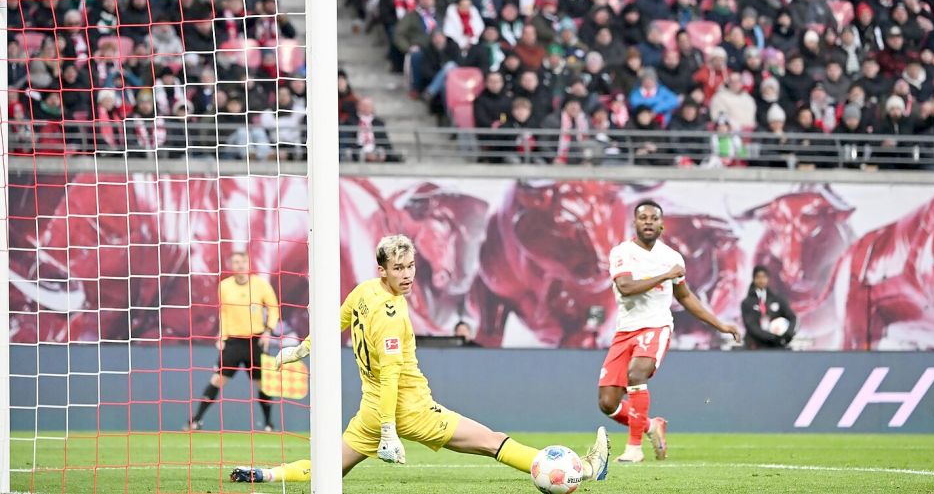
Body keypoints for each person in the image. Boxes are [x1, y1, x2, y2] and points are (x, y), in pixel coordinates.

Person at [231, 235, 610, 483]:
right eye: (398, 268)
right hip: (408, 409)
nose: (407, 274)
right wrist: (389, 432)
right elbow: (393, 374)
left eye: (411, 266)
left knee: (331, 470)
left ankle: (265, 476)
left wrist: (300, 349)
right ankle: (583, 471)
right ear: (382, 269)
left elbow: (335, 322)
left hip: (371, 405)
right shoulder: (392, 317)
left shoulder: (364, 291)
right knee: (492, 441)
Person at [598, 202, 741, 463]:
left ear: (662, 225)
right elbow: (626, 286)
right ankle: (651, 425)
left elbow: (685, 296)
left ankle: (634, 449)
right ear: (635, 223)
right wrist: (666, 276)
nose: (649, 222)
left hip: (656, 325)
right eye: (643, 218)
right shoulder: (622, 253)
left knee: (637, 373)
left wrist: (720, 324)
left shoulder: (672, 258)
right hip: (625, 331)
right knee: (608, 403)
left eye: (654, 218)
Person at [187, 252, 279, 432]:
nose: (240, 265)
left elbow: (273, 309)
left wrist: (268, 331)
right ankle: (196, 421)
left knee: (263, 384)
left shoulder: (261, 285)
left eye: (243, 262)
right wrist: (222, 336)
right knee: (217, 379)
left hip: (256, 341)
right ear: (231, 265)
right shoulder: (224, 286)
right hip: (234, 342)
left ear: (248, 263)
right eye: (236, 262)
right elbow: (224, 313)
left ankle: (268, 424)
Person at [740, 266, 797, 349]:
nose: (761, 280)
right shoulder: (747, 303)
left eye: (764, 277)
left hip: (776, 346)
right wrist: (772, 337)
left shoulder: (778, 299)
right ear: (753, 279)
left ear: (768, 279)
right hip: (754, 347)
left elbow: (792, 317)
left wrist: (788, 334)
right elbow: (751, 326)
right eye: (758, 277)